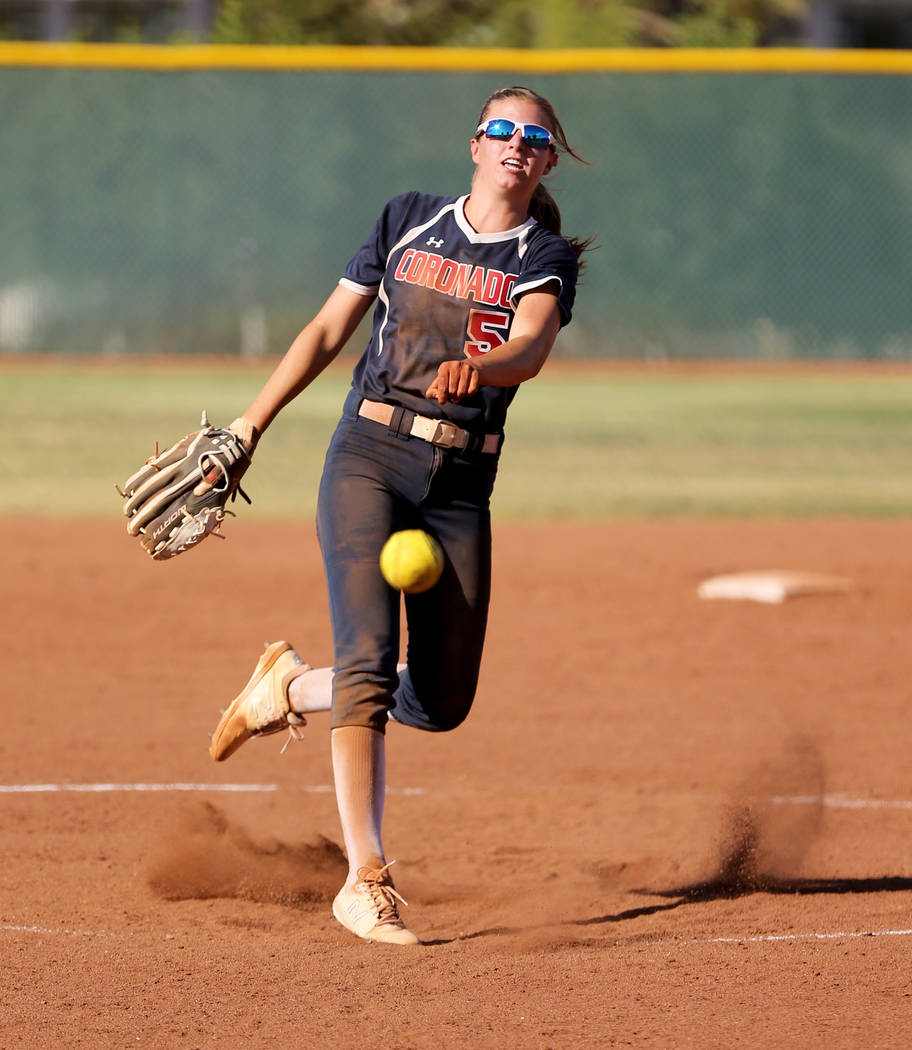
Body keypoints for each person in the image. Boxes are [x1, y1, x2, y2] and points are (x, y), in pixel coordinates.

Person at [209, 85, 589, 946]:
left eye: (534, 137)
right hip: (368, 460)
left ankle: (288, 688)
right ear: (474, 144)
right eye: (502, 130)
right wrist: (248, 425)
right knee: (371, 663)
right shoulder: (409, 218)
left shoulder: (546, 253)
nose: (515, 144)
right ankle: (365, 878)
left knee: (442, 701)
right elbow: (325, 330)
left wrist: (485, 367)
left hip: (458, 487)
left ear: (548, 160)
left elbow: (530, 343)